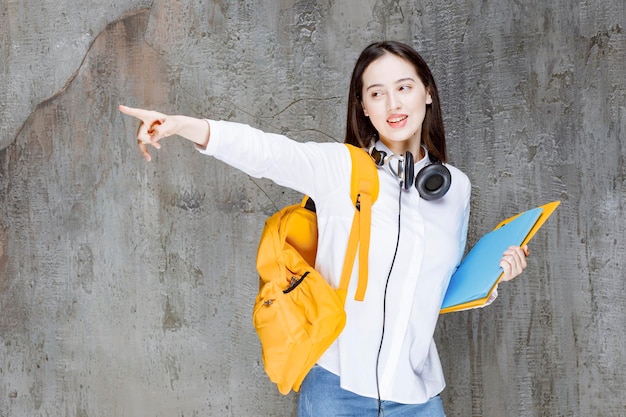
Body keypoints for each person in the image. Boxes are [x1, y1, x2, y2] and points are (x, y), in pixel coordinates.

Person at [119, 41, 529, 417]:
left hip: (416, 396)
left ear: (427, 93)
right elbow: (267, 152)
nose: (393, 103)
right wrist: (182, 125)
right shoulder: (341, 169)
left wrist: (495, 275)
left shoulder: (454, 188)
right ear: (364, 107)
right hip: (336, 390)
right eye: (376, 93)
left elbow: (437, 288)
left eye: (404, 88)